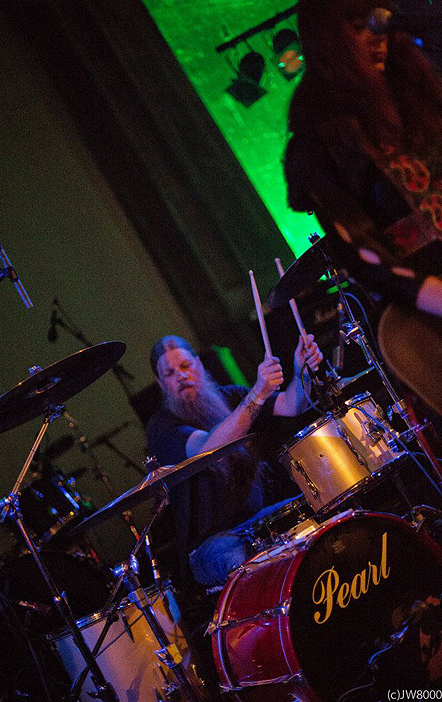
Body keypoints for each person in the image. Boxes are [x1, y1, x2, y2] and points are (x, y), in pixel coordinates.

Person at [284, 0, 442, 321]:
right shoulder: (318, 143)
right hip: (427, 310)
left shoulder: (416, 93)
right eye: (359, 27)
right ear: (327, 41)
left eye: (378, 21)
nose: (377, 36)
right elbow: (363, 257)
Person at [146, 333, 322, 590]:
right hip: (209, 545)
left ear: (199, 364)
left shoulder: (230, 396)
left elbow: (290, 405)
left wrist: (302, 371)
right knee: (241, 557)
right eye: (169, 373)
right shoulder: (161, 427)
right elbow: (209, 448)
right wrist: (258, 393)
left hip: (257, 521)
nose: (181, 376)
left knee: (312, 510)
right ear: (161, 384)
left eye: (185, 366)